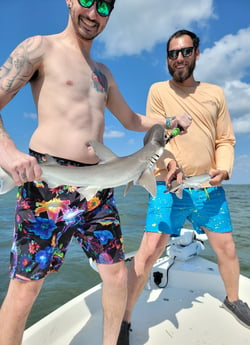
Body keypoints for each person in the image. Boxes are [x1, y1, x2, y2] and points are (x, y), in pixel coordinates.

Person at [0, 3, 192, 345]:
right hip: (48, 184)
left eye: (104, 6)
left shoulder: (103, 73)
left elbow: (132, 121)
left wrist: (168, 123)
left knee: (117, 275)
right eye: (87, 1)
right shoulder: (39, 48)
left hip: (101, 182)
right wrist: (9, 152)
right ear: (70, 1)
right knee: (26, 286)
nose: (94, 12)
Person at [117, 29, 250, 345]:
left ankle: (233, 299)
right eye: (172, 53)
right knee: (149, 250)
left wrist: (224, 168)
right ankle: (123, 318)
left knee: (228, 248)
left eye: (185, 51)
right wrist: (168, 164)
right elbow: (153, 137)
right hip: (168, 187)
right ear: (167, 58)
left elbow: (225, 139)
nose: (178, 58)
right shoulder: (157, 91)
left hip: (208, 187)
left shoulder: (215, 93)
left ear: (197, 53)